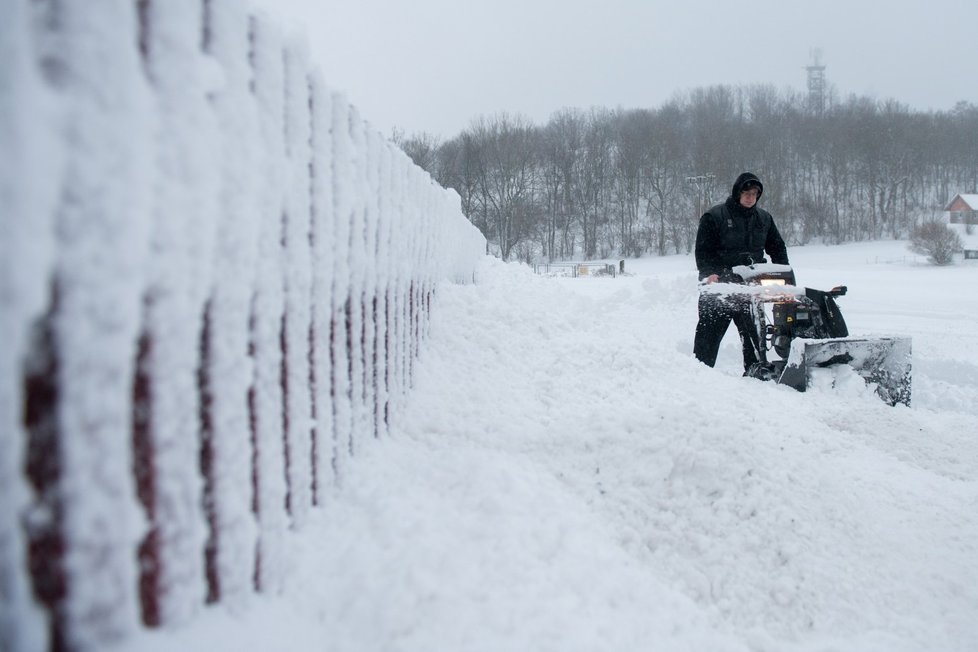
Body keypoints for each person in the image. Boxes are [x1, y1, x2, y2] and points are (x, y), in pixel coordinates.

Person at [693, 172, 789, 371]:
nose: (750, 197)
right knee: (708, 336)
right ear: (737, 192)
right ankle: (699, 373)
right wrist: (708, 273)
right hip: (721, 285)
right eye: (746, 192)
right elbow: (703, 251)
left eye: (754, 193)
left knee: (754, 335)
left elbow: (777, 247)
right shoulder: (715, 216)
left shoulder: (763, 219)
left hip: (751, 286)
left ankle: (755, 371)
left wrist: (783, 274)